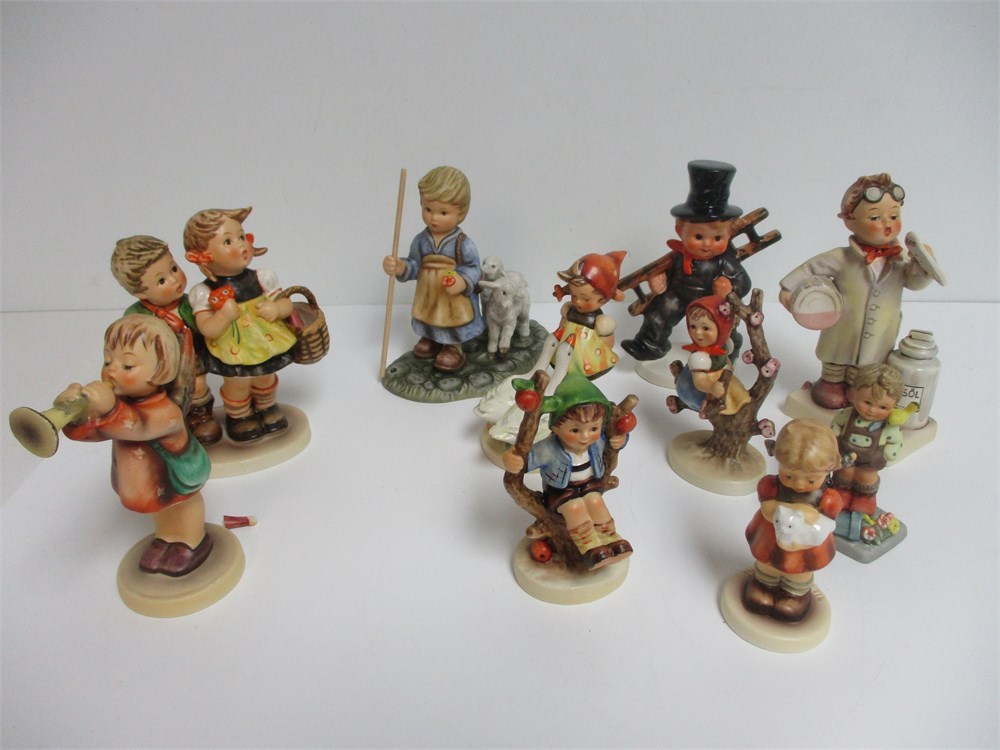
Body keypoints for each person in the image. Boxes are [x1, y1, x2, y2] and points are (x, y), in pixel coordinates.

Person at [57, 315, 212, 577]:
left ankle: (192, 541)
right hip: (148, 484)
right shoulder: (121, 408)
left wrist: (110, 409)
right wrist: (73, 416)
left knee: (182, 506)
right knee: (161, 509)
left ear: (161, 371)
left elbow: (137, 426)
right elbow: (98, 432)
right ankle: (166, 539)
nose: (111, 371)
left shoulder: (166, 412)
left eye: (127, 366)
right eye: (108, 361)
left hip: (175, 476)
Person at [779, 173, 932, 409]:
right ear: (849, 221)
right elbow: (810, 268)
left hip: (882, 329)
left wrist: (923, 266)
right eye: (875, 217)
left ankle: (856, 389)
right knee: (835, 361)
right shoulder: (842, 257)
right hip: (842, 328)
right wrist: (788, 290)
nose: (887, 224)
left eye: (893, 216)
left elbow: (914, 283)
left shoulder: (900, 259)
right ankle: (830, 384)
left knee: (867, 368)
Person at [184, 207, 297, 442]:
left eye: (241, 236)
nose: (241, 245)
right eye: (228, 241)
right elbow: (207, 329)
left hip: (265, 342)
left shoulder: (261, 277)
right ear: (204, 256)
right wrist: (223, 316)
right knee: (238, 384)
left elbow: (287, 304)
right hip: (232, 348)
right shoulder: (204, 292)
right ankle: (240, 416)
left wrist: (277, 309)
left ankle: (267, 407)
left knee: (266, 377)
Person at [622, 160, 750, 361]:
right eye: (698, 236)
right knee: (659, 313)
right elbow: (664, 272)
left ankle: (726, 351)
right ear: (680, 230)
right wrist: (657, 282)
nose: (707, 244)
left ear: (729, 234)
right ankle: (650, 344)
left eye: (717, 238)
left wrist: (730, 288)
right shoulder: (677, 256)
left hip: (711, 300)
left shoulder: (724, 261)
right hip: (678, 296)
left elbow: (743, 281)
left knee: (721, 322)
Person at [502, 374, 631, 570]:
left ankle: (611, 540)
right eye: (575, 430)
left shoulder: (597, 442)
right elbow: (523, 459)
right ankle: (590, 548)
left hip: (590, 485)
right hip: (561, 492)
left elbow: (614, 436)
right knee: (575, 508)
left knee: (596, 501)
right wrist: (510, 458)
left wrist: (621, 440)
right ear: (556, 427)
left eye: (594, 428)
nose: (585, 437)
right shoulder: (548, 449)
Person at [110, 235, 221, 444]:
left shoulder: (191, 302)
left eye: (174, 269)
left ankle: (202, 417)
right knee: (165, 394)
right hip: (159, 366)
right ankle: (174, 422)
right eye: (161, 281)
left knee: (197, 387)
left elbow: (204, 326)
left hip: (192, 358)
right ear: (138, 292)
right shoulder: (136, 316)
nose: (174, 280)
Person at [382, 166, 484, 372]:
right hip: (429, 293)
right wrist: (400, 266)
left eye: (443, 212)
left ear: (461, 213)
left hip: (451, 296)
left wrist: (461, 281)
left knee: (452, 319)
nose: (434, 218)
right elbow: (414, 265)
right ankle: (431, 339)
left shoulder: (463, 243)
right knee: (429, 315)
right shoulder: (421, 241)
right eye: (428, 209)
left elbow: (474, 267)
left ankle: (453, 347)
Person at [743, 419, 843, 622]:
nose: (799, 484)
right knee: (767, 563)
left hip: (805, 547)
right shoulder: (771, 485)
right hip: (771, 536)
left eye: (811, 480)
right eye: (788, 475)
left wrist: (809, 520)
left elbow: (827, 521)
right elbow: (768, 509)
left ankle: (795, 595)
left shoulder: (827, 497)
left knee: (800, 571)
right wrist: (791, 511)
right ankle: (763, 584)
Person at [830, 363, 904, 539]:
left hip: (871, 460)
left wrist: (891, 452)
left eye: (882, 407)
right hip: (846, 454)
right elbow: (837, 425)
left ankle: (864, 499)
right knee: (845, 472)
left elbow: (896, 440)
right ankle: (842, 493)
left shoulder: (889, 426)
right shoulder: (848, 414)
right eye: (867, 402)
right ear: (854, 394)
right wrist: (832, 438)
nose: (872, 410)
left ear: (895, 405)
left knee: (866, 477)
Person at [666, 284, 751, 417]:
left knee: (738, 391)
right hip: (695, 389)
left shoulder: (723, 344)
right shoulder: (699, 357)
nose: (698, 333)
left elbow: (725, 358)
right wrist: (711, 387)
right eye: (693, 326)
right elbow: (699, 381)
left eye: (705, 328)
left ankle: (744, 407)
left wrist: (728, 368)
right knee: (724, 400)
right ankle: (702, 406)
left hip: (719, 377)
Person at [550, 251, 626, 379]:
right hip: (563, 355)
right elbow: (561, 328)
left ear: (604, 298)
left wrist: (606, 334)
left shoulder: (599, 321)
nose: (578, 302)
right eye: (574, 296)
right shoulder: (570, 310)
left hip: (589, 360)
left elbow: (607, 344)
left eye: (586, 299)